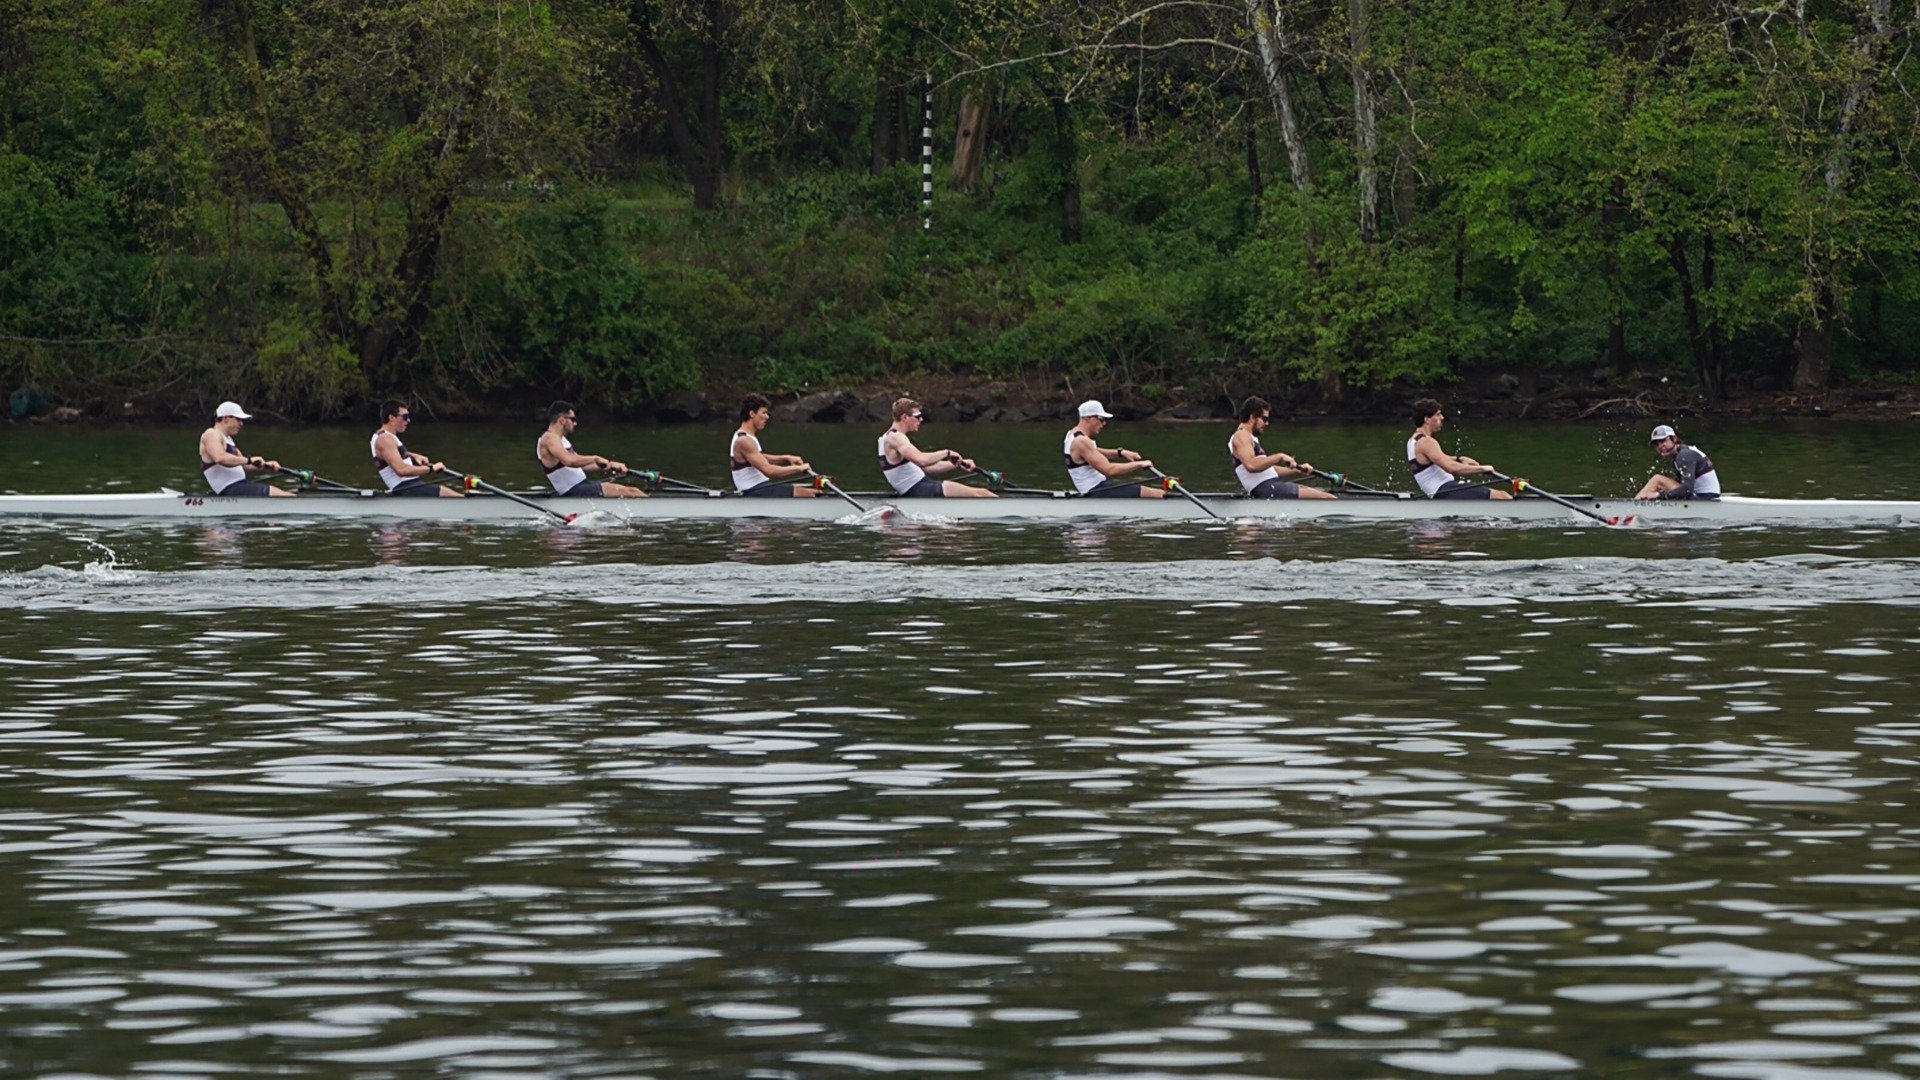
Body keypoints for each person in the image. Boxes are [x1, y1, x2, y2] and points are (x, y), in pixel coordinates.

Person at [877, 399, 997, 498]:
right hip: (920, 489)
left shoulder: (885, 438)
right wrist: (947, 452)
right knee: (982, 494)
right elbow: (921, 460)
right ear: (905, 417)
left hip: (921, 487)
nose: (921, 420)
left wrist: (957, 464)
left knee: (979, 494)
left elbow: (927, 468)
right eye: (918, 416)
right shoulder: (896, 438)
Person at [1230, 396, 1335, 500]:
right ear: (1252, 417)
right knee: (1327, 498)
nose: (1267, 423)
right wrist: (1280, 456)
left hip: (1271, 486)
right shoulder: (1241, 436)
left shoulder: (1248, 438)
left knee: (1324, 495)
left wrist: (1297, 470)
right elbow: (1251, 466)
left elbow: (1268, 469)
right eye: (1264, 419)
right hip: (1267, 488)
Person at [1407, 398, 1511, 500]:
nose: (1442, 418)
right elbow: (1450, 467)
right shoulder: (1427, 442)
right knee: (1503, 496)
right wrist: (1482, 468)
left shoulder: (1413, 441)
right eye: (1438, 415)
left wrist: (1459, 458)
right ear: (1427, 419)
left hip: (1441, 491)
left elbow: (1440, 459)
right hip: (1445, 490)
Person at [537, 401, 647, 497]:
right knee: (633, 492)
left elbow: (581, 465)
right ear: (562, 420)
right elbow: (569, 461)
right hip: (574, 491)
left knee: (632, 491)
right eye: (573, 419)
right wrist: (595, 458)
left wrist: (610, 465)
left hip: (583, 486)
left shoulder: (562, 440)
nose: (575, 423)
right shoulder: (548, 438)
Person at [1064, 400, 1165, 498]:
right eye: (1101, 419)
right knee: (1158, 494)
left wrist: (1121, 453)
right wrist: (1139, 464)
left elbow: (1094, 451)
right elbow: (1109, 470)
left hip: (1099, 487)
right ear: (1089, 418)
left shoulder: (1072, 434)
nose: (1104, 424)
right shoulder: (1081, 441)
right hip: (1096, 490)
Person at [198, 401, 294, 497]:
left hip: (240, 486)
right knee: (288, 497)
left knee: (287, 495)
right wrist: (249, 460)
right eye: (238, 419)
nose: (242, 424)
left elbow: (244, 465)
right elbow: (219, 458)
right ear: (226, 418)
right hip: (230, 489)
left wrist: (266, 465)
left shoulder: (228, 440)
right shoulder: (211, 434)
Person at [730, 394, 819, 497]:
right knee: (811, 494)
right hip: (754, 491)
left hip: (760, 488)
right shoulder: (744, 440)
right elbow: (769, 470)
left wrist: (786, 458)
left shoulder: (745, 435)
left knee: (812, 492)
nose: (767, 417)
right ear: (752, 414)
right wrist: (799, 468)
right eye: (763, 413)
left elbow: (761, 457)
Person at [371, 401, 462, 498]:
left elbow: (392, 455)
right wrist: (431, 468)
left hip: (411, 486)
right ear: (392, 418)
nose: (408, 420)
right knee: (446, 493)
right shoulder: (385, 439)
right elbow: (401, 470)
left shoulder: (382, 436)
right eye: (405, 417)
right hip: (405, 488)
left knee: (445, 491)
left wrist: (413, 456)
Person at [1636, 423, 1720, 500]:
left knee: (1657, 480)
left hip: (1705, 499)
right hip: (1704, 496)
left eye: (1663, 441)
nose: (1660, 446)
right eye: (1657, 444)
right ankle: (1638, 506)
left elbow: (1687, 489)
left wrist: (1659, 495)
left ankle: (1633, 508)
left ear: (1674, 438)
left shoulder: (1684, 455)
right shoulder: (1679, 454)